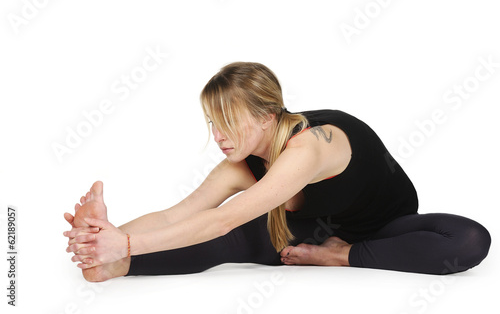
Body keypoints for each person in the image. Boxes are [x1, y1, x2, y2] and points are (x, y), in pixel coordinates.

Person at [63, 62, 491, 282]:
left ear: (268, 115)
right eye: (212, 123)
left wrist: (128, 242)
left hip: (386, 228)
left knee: (471, 239)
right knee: (225, 243)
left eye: (229, 121)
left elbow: (223, 215)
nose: (218, 136)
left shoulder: (310, 147)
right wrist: (108, 240)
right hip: (308, 232)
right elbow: (179, 215)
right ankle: (119, 268)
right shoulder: (240, 163)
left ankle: (341, 257)